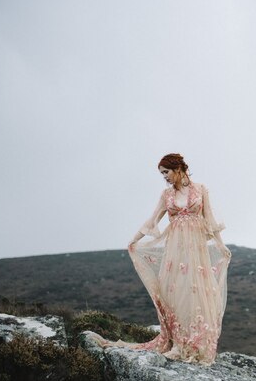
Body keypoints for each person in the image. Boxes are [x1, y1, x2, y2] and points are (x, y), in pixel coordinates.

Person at [84, 153, 232, 365]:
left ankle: (196, 344)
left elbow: (210, 218)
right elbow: (153, 219)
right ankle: (179, 343)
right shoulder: (166, 195)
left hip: (196, 250)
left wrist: (221, 245)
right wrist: (134, 240)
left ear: (178, 168)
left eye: (166, 172)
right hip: (175, 250)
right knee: (176, 292)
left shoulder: (200, 189)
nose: (165, 177)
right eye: (162, 174)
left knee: (197, 293)